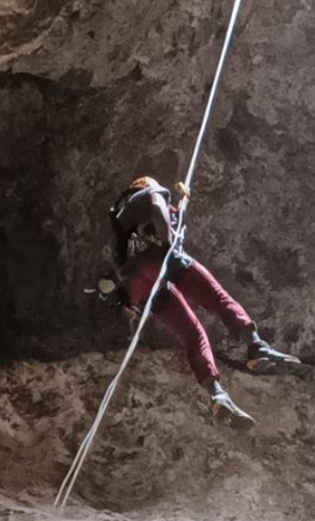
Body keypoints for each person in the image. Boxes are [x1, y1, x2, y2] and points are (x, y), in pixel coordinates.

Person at [106, 176, 300, 427]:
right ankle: (256, 345)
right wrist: (167, 244)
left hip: (138, 282)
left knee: (192, 333)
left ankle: (217, 393)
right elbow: (157, 209)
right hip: (161, 258)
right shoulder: (150, 193)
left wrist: (131, 298)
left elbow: (119, 263)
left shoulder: (120, 220)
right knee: (219, 299)